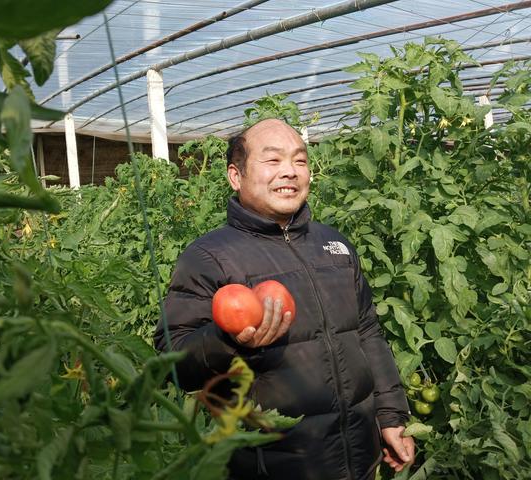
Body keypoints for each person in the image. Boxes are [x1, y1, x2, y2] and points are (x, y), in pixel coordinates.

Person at [154, 118, 414, 479]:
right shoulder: (208, 257)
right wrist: (225, 340)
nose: (290, 172)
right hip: (275, 466)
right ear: (236, 176)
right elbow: (173, 357)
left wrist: (390, 415)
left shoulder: (335, 246)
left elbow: (367, 332)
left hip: (359, 457)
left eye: (300, 160)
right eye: (273, 161)